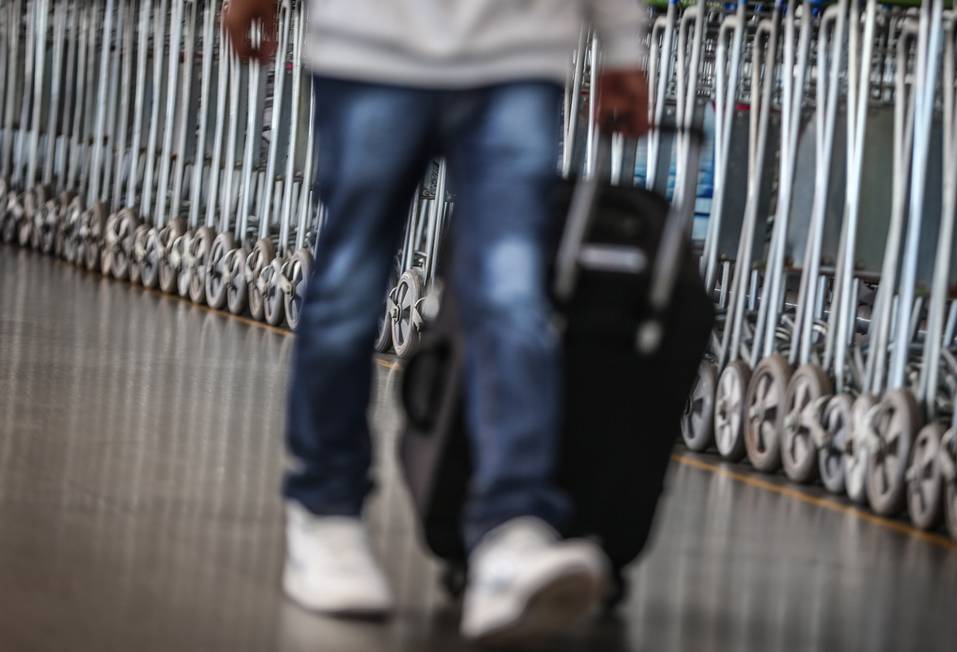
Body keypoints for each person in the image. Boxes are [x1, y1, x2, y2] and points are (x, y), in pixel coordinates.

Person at [224, 0, 649, 643]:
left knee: (511, 293)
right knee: (350, 286)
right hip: (373, 44)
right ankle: (325, 513)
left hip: (517, 50)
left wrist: (620, 41)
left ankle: (511, 530)